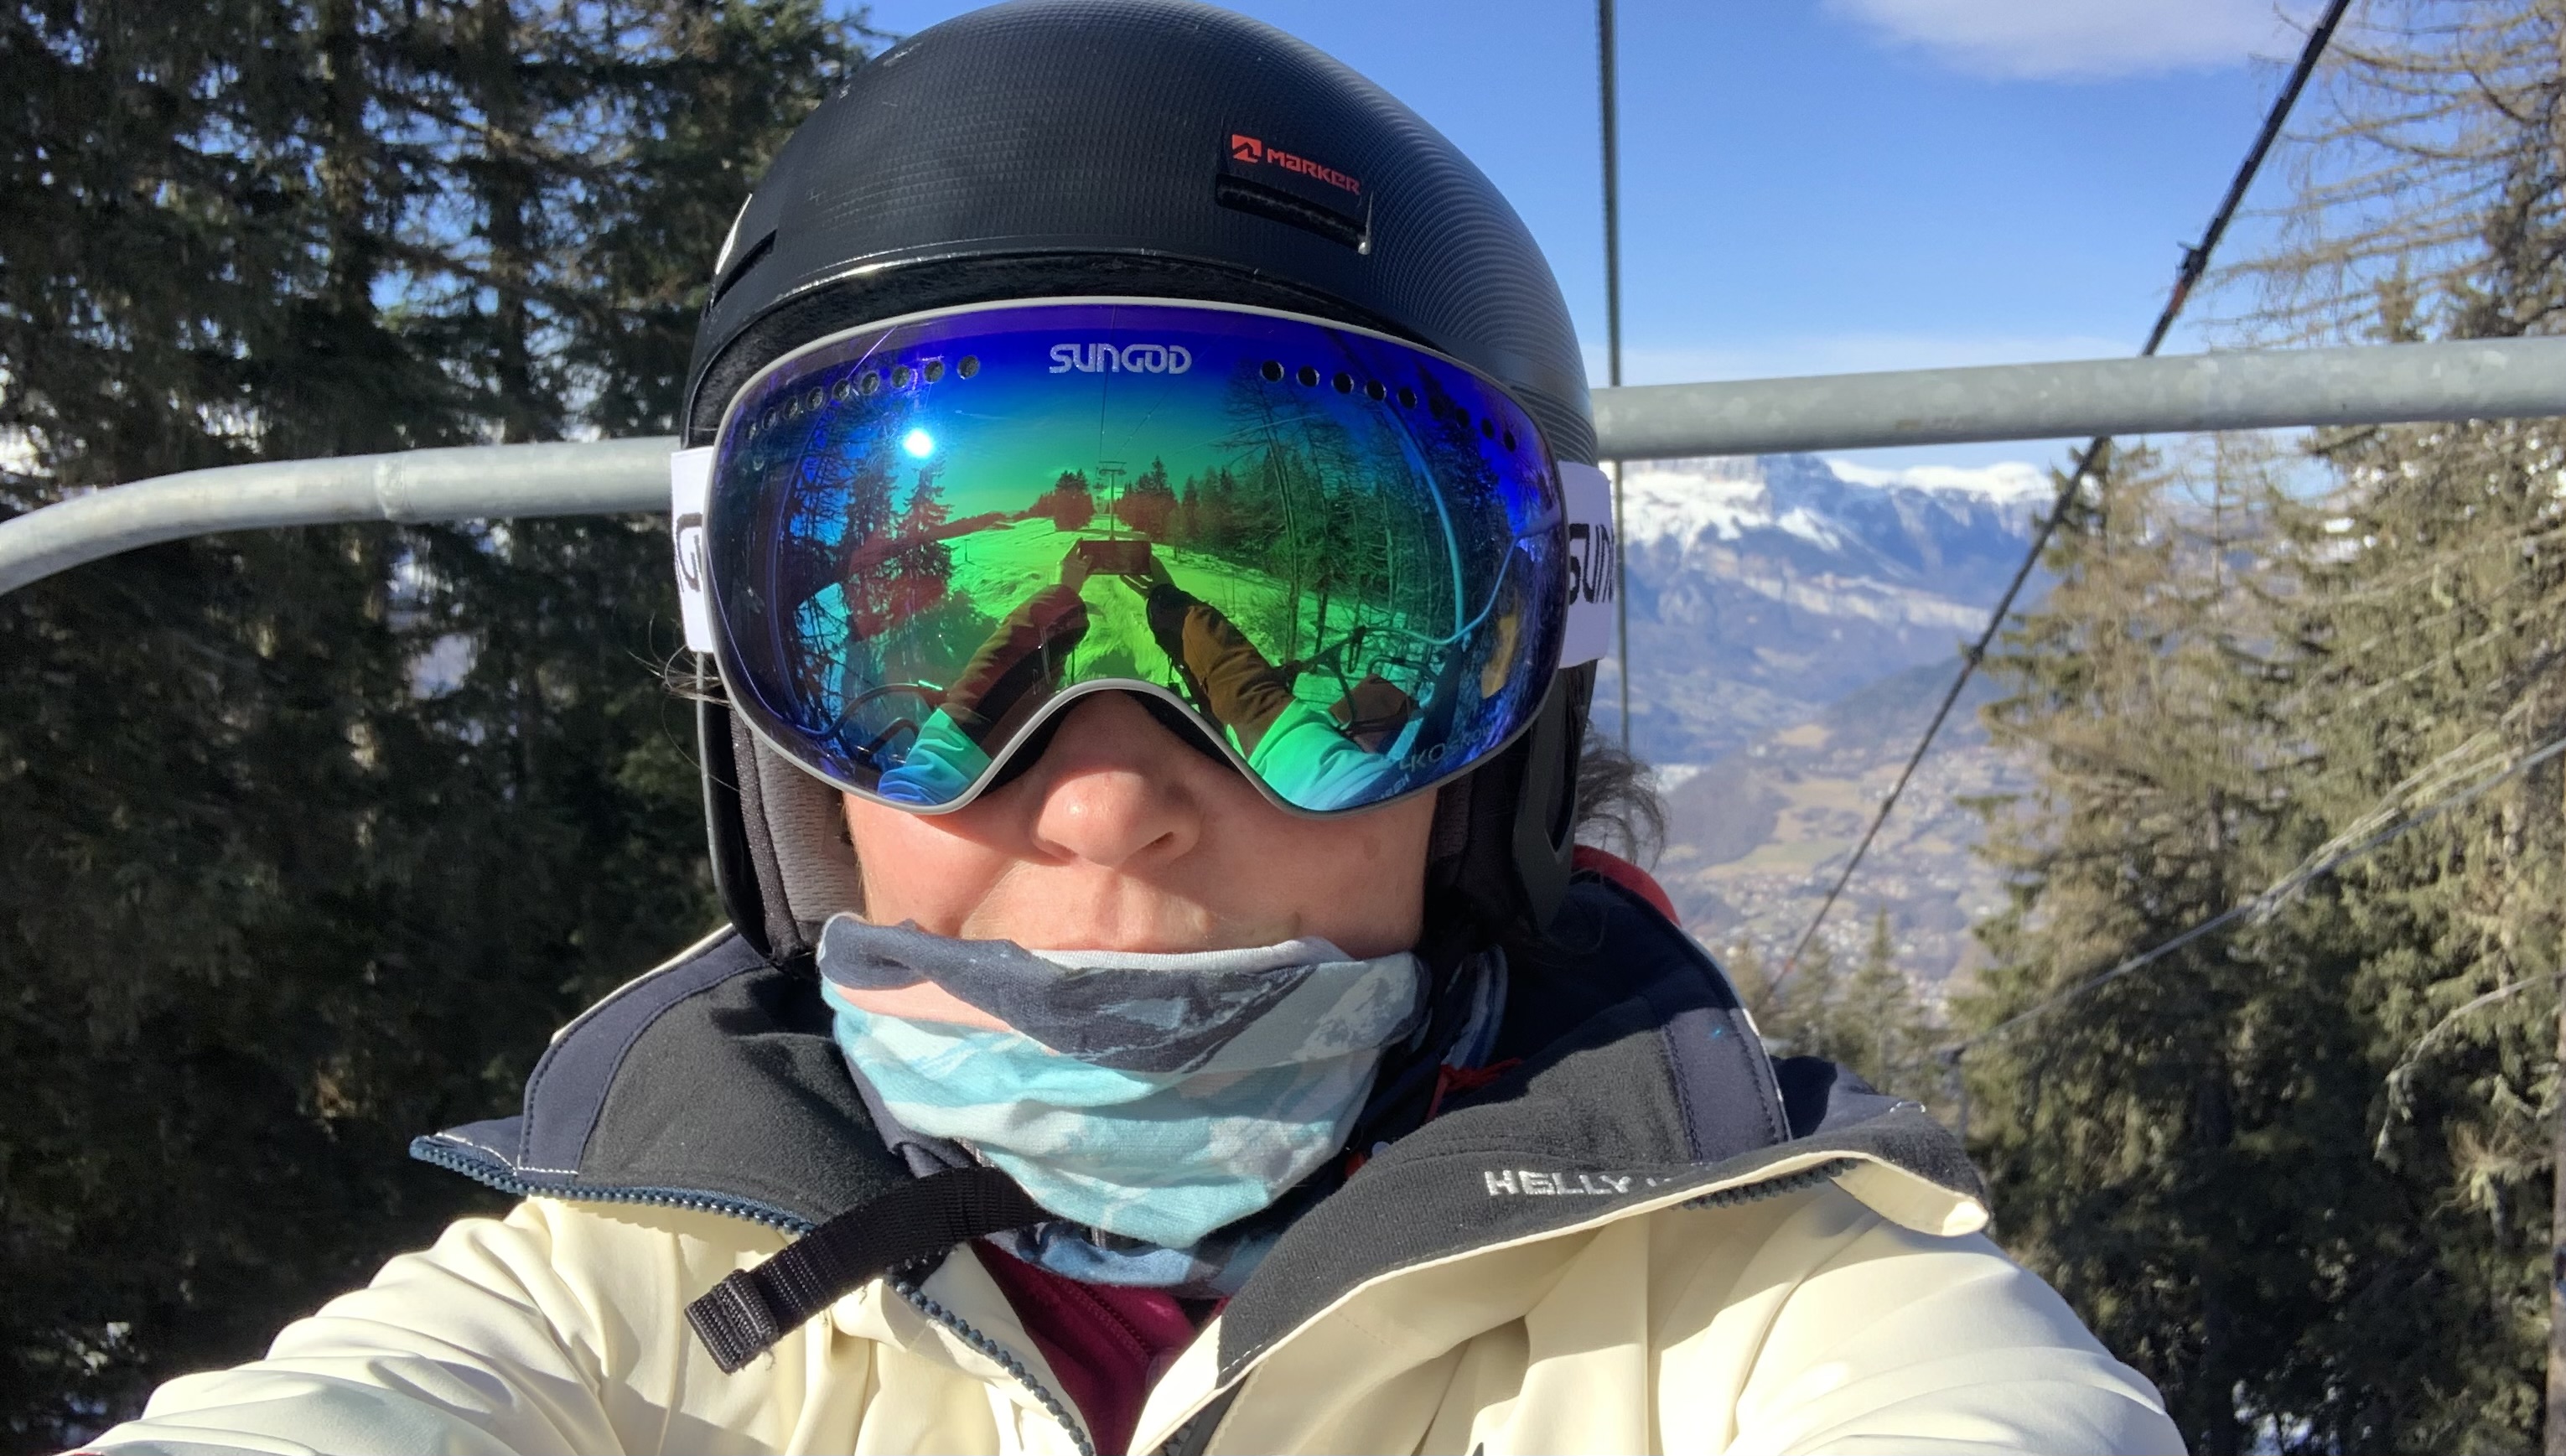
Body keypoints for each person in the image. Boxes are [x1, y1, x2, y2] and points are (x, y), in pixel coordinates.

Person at [84, 3, 2186, 1453]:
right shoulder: (623, 1296)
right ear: (779, 757)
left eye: (1320, 632)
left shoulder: (1752, 1303)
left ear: (1496, 752)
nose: (1102, 791)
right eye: (934, 653)